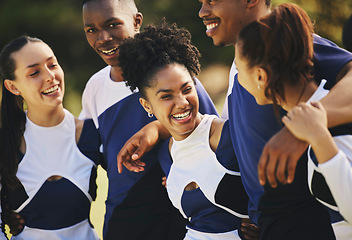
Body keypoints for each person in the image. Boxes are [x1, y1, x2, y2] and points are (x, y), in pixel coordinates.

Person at [117, 0, 352, 239]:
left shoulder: (286, 42)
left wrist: (301, 130)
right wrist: (159, 128)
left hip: (311, 222)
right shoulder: (242, 67)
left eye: (211, 0)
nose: (202, 11)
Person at [81, 0, 218, 239]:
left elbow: (212, 137)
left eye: (113, 24)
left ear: (136, 22)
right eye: (91, 29)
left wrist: (157, 130)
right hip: (124, 219)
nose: (102, 38)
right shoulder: (95, 87)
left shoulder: (174, 78)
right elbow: (90, 158)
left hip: (179, 215)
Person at [117, 22, 260, 240]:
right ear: (147, 106)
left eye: (187, 89)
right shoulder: (165, 153)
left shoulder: (228, 136)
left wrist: (264, 220)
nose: (182, 102)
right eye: (166, 96)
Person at [235, 3, 352, 239]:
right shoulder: (319, 111)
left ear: (261, 76)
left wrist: (319, 138)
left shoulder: (323, 124)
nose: (239, 80)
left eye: (240, 70)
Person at [0, 36, 101, 239]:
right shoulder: (5, 144)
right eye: (34, 72)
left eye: (52, 64)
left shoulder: (93, 133)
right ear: (13, 87)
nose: (50, 76)